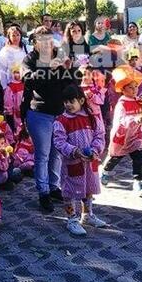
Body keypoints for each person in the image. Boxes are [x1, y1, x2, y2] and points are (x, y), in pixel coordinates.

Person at [20, 26, 76, 212]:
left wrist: (71, 68)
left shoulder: (59, 55)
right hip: (39, 112)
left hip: (59, 112)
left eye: (50, 41)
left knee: (56, 152)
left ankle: (54, 187)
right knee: (42, 154)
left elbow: (70, 83)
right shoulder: (30, 59)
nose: (47, 45)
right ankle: (43, 192)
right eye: (43, 41)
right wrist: (49, 68)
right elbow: (28, 80)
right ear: (35, 43)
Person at [52, 84, 107, 236]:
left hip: (89, 162)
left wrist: (95, 150)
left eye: (72, 101)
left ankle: (88, 215)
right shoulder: (61, 121)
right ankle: (72, 219)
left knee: (88, 188)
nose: (68, 104)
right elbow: (59, 142)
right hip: (72, 163)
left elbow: (100, 135)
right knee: (70, 191)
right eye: (65, 102)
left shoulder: (91, 117)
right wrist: (75, 151)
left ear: (81, 100)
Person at [101, 65, 142, 193]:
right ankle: (105, 171)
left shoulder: (140, 100)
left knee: (140, 157)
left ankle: (139, 181)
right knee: (115, 158)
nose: (134, 90)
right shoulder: (122, 103)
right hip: (122, 137)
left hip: (136, 136)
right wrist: (135, 119)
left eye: (136, 86)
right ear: (123, 90)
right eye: (131, 87)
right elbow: (121, 120)